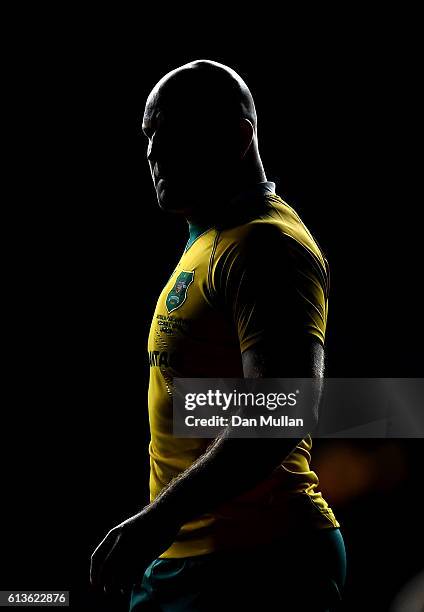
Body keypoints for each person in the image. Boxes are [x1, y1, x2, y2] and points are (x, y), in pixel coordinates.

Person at [90, 59, 347, 611]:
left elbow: (284, 411)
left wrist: (158, 519)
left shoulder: (266, 247)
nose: (152, 152)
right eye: (147, 136)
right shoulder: (209, 237)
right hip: (193, 557)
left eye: (169, 131)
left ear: (238, 134)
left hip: (257, 563)